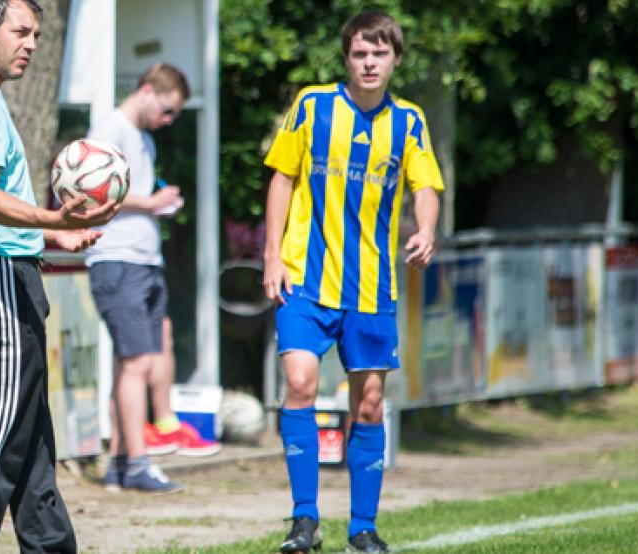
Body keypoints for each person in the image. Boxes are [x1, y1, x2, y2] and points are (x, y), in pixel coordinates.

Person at [0, 0, 118, 551]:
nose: (31, 43)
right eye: (21, 31)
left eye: (36, 34)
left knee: (28, 437)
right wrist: (53, 217)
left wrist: (49, 236)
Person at [262, 11, 443, 554]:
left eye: (379, 54)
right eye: (360, 53)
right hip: (304, 278)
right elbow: (281, 178)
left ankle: (362, 527)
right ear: (347, 58)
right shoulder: (313, 106)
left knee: (367, 406)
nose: (369, 62)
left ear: (395, 60)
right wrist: (272, 255)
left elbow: (426, 185)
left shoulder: (409, 122)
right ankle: (303, 521)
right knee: (299, 383)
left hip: (371, 289)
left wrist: (427, 229)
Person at [86, 63, 220, 495]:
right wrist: (151, 202)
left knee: (135, 362)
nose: (168, 120)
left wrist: (156, 204)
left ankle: (119, 463)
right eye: (167, 110)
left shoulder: (141, 138)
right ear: (146, 91)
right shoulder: (111, 129)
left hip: (143, 261)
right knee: (138, 363)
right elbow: (92, 191)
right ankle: (139, 462)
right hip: (117, 259)